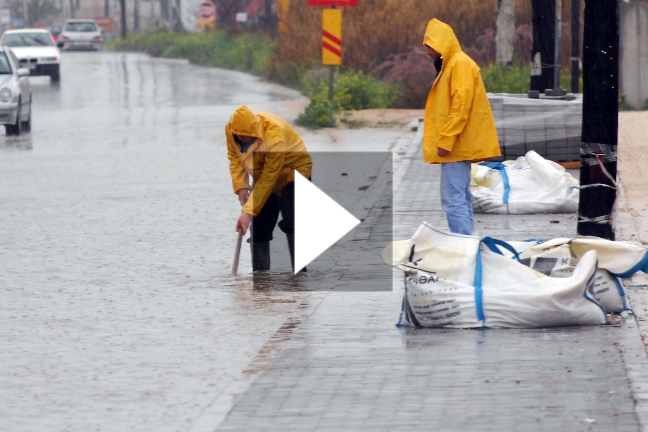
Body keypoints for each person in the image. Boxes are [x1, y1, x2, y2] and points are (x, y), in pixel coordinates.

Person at [422, 18, 501, 235]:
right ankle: (466, 242)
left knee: (453, 199)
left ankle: (463, 244)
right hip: (459, 143)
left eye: (429, 46)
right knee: (460, 196)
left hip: (455, 145)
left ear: (440, 43)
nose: (427, 52)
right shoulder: (455, 64)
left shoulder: (459, 64)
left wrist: (445, 139)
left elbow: (460, 105)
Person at [226, 106, 312, 272]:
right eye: (239, 134)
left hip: (293, 172)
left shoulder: (274, 136)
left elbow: (269, 177)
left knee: (293, 222)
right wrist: (241, 187)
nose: (242, 137)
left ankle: (300, 276)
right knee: (259, 225)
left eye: (247, 134)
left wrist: (247, 212)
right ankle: (261, 277)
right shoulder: (231, 130)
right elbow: (235, 158)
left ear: (255, 129)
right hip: (264, 174)